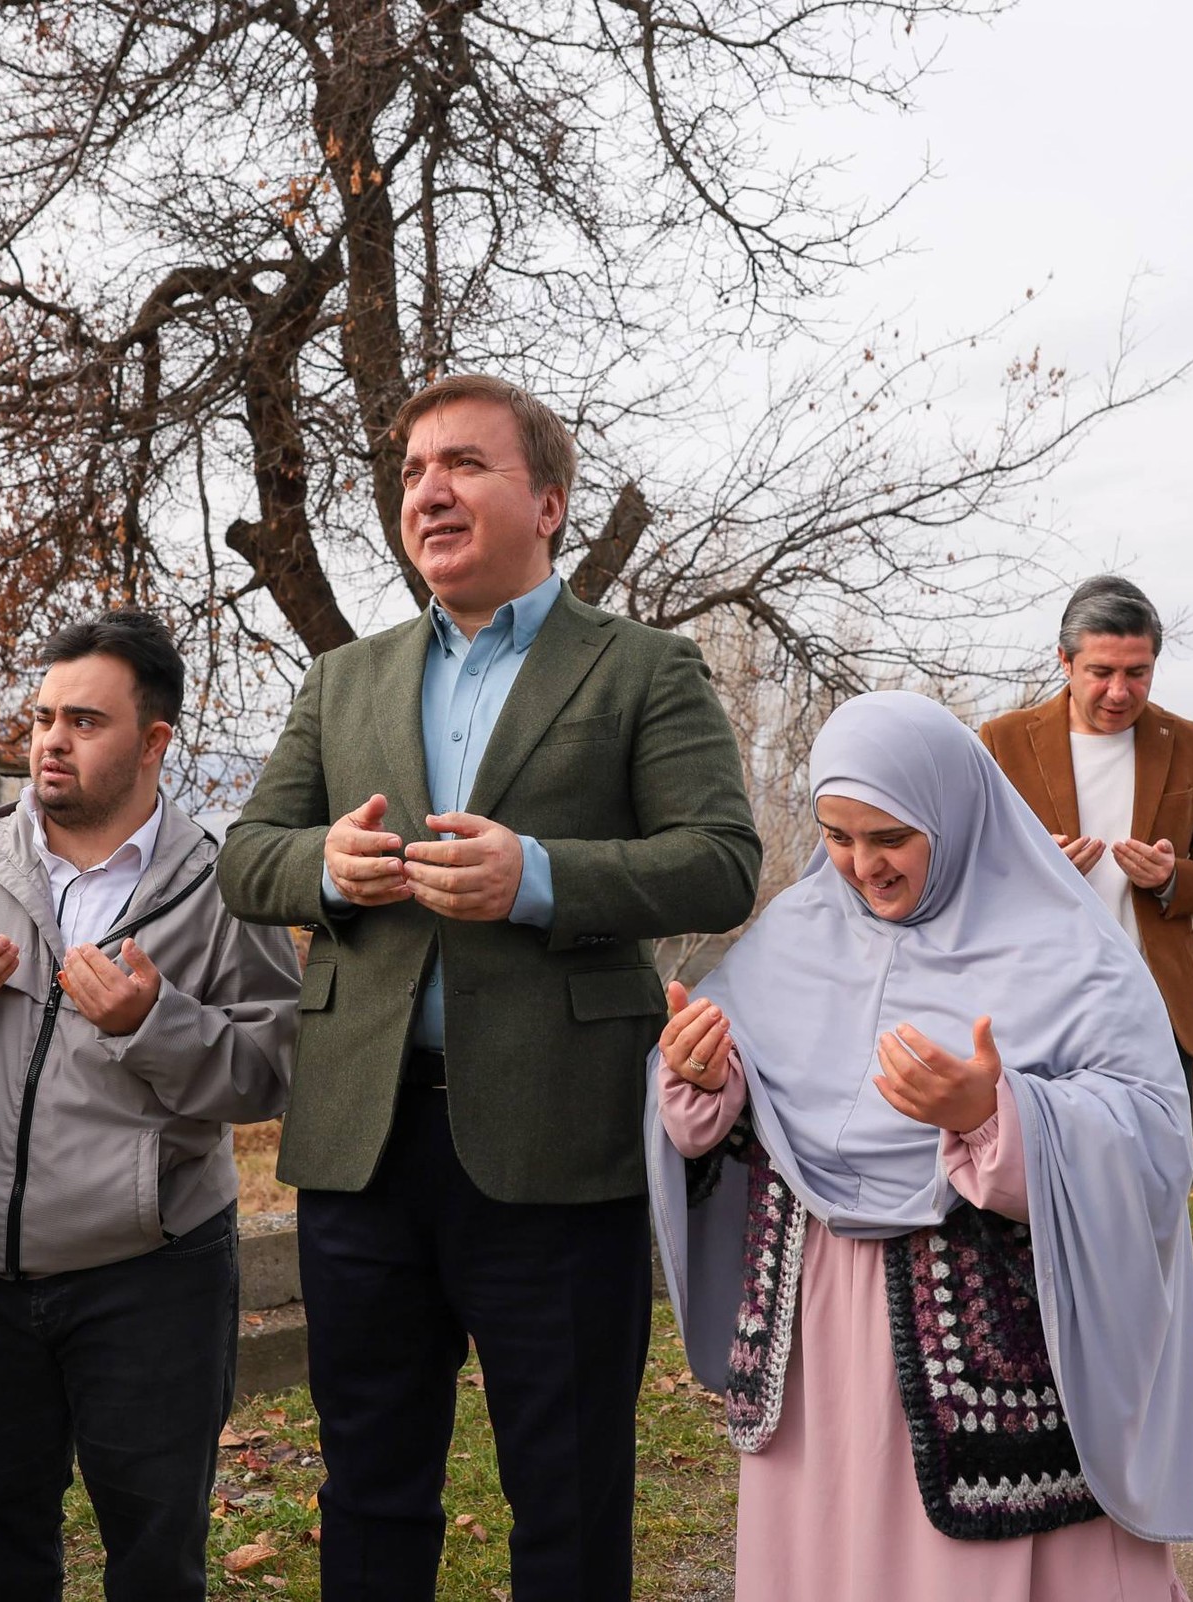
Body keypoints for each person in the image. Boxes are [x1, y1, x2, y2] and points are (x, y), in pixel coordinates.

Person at [216, 373, 762, 1601]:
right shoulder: (343, 680)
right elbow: (248, 858)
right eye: (412, 472)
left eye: (462, 464)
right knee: (367, 1481)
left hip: (557, 1149)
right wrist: (329, 868)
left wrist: (537, 877)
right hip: (363, 1147)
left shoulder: (641, 671)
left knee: (565, 1495)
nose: (429, 491)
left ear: (548, 502)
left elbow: (721, 862)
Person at [647, 690, 1193, 1602]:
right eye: (837, 835)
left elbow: (1152, 1147)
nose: (861, 865)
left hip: (1006, 1365)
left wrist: (1000, 1114)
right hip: (819, 1345)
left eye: (890, 837)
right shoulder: (794, 935)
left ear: (952, 811)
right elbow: (740, 1120)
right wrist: (706, 1085)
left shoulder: (1075, 954)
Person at [0, 609, 298, 1602]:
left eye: (84, 721)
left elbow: (270, 1073)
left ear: (154, 741)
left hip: (149, 1274)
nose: (50, 742)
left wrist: (154, 1020)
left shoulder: (221, 886)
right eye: (40, 718)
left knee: (154, 1559)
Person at [979, 575, 1193, 1094]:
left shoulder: (1190, 744)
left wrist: (1173, 877)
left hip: (1157, 1012)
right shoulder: (1002, 742)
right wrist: (1038, 872)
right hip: (1038, 1011)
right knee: (1042, 1172)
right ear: (1065, 661)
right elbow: (961, 876)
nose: (1120, 692)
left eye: (1138, 673)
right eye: (1101, 672)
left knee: (1158, 1174)